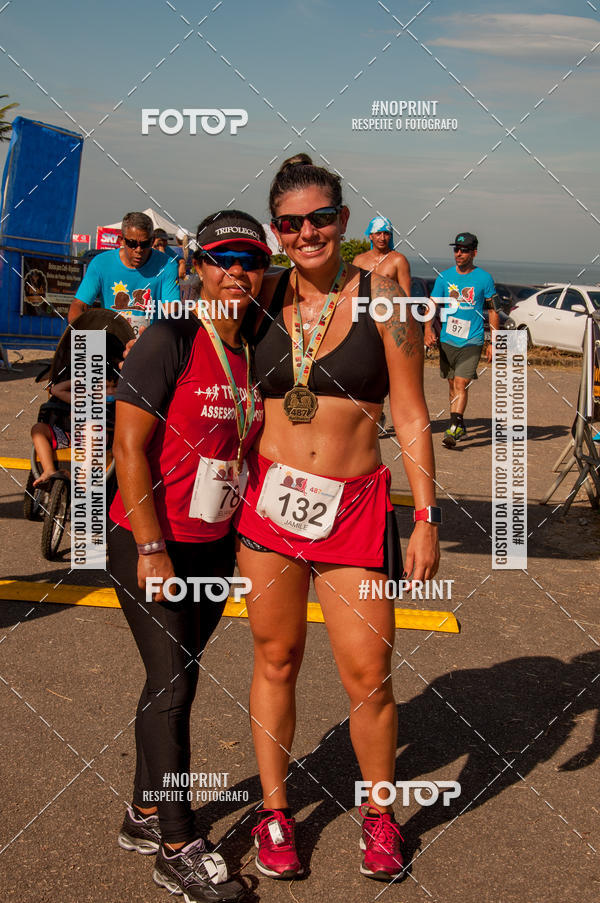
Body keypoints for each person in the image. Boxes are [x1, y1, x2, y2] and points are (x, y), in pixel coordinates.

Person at [235, 154, 440, 882]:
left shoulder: (384, 296)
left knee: (368, 673)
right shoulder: (258, 296)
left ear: (345, 222)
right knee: (275, 658)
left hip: (354, 508)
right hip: (269, 507)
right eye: (292, 222)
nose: (308, 231)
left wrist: (425, 514)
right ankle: (275, 811)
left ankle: (380, 816)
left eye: (321, 217)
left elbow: (411, 412)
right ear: (278, 230)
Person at [107, 209, 270, 903]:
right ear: (197, 264)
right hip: (152, 542)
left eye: (250, 260)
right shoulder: (171, 336)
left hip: (211, 546)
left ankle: (144, 811)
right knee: (172, 687)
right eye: (222, 258)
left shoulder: (255, 347)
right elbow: (128, 450)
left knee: (175, 683)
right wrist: (151, 548)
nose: (236, 271)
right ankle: (176, 843)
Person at [424, 232, 500, 448]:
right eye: (456, 249)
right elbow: (432, 304)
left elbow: (493, 310)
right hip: (448, 340)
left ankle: (454, 428)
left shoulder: (484, 278)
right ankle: (459, 422)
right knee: (452, 384)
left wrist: (493, 342)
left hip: (472, 340)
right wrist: (427, 329)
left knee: (461, 382)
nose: (459, 253)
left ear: (474, 253)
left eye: (464, 250)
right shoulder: (444, 277)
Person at [67, 211, 179, 325]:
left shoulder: (167, 265)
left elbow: (171, 316)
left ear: (152, 240)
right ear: (121, 240)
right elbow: (78, 305)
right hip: (111, 338)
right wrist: (87, 334)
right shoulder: (100, 264)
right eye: (132, 243)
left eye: (145, 244)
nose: (138, 250)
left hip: (149, 339)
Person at [352, 215, 411, 296]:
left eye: (386, 233)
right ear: (370, 236)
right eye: (378, 233)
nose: (382, 238)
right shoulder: (359, 261)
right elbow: (352, 292)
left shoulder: (399, 260)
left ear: (390, 236)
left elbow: (406, 295)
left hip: (390, 307)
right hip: (365, 307)